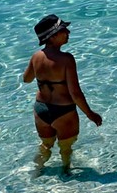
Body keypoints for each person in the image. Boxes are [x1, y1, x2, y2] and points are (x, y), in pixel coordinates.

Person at [22, 14, 102, 173]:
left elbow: (26, 79)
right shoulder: (66, 59)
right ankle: (66, 175)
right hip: (63, 111)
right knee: (66, 148)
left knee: (46, 146)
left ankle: (37, 171)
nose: (68, 32)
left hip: (41, 109)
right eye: (64, 30)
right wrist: (90, 114)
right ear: (52, 37)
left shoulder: (36, 56)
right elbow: (75, 93)